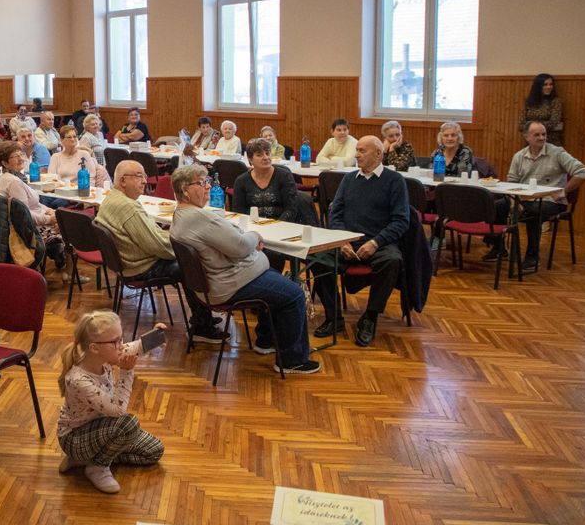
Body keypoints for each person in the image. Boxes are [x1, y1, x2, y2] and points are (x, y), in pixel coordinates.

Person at [170, 165, 319, 374]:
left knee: (278, 283)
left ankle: (266, 340)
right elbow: (240, 247)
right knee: (293, 294)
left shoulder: (182, 215)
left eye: (207, 182)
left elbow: (232, 237)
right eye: (202, 183)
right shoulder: (200, 217)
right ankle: (292, 359)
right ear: (185, 190)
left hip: (219, 282)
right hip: (229, 284)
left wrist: (244, 238)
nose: (208, 187)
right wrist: (255, 237)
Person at [95, 160, 226, 344]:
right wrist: (185, 248)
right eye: (139, 176)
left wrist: (174, 237)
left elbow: (153, 237)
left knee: (190, 259)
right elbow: (158, 246)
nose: (145, 180)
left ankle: (202, 317)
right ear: (123, 181)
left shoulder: (112, 198)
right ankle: (201, 326)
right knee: (191, 264)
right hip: (140, 267)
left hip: (128, 263)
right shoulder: (128, 207)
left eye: (145, 176)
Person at [56, 310, 165, 494]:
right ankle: (96, 467)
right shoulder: (78, 380)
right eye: (115, 341)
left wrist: (157, 335)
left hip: (104, 429)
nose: (121, 345)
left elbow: (134, 347)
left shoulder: (105, 355)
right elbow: (118, 411)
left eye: (121, 338)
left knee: (155, 450)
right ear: (94, 348)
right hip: (75, 438)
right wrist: (127, 372)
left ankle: (90, 458)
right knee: (129, 425)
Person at [316, 136, 410, 347]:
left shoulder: (394, 181)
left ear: (378, 154)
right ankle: (334, 317)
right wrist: (342, 241)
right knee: (317, 257)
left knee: (392, 260)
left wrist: (376, 242)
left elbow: (401, 221)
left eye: (362, 151)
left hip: (380, 242)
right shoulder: (349, 179)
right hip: (348, 241)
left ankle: (370, 317)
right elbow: (335, 214)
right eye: (357, 150)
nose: (356, 154)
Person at [495, 121, 585, 273]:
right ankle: (499, 248)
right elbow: (511, 182)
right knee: (498, 206)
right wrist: (513, 201)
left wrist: (564, 191)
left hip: (551, 201)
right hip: (524, 199)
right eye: (537, 134)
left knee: (534, 211)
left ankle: (532, 257)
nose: (541, 137)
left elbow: (582, 172)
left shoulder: (557, 153)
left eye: (544, 134)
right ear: (527, 137)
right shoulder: (519, 156)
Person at [0, 141, 66, 272]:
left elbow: (33, 203)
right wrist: (49, 220)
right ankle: (66, 272)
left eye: (21, 154)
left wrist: (49, 210)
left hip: (31, 224)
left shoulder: (12, 178)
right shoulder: (14, 182)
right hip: (28, 232)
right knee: (67, 227)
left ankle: (60, 263)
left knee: (61, 217)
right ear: (5, 163)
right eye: (14, 156)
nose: (20, 158)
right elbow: (25, 215)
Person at [232, 139, 306, 223]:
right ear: (250, 159)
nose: (266, 158)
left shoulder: (284, 176)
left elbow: (291, 209)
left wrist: (276, 225)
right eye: (259, 155)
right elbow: (238, 211)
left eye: (267, 153)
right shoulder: (241, 181)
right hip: (252, 226)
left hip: (281, 226)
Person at [519, 73, 563, 146]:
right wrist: (535, 128)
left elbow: (553, 122)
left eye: (551, 84)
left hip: (550, 141)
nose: (549, 87)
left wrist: (531, 126)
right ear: (538, 86)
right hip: (531, 141)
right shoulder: (529, 101)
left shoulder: (555, 101)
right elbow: (521, 124)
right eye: (545, 85)